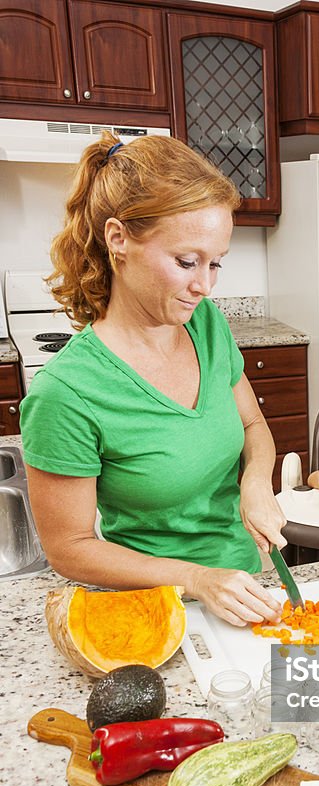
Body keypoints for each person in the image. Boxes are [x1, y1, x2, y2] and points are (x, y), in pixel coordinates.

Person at [20, 131, 286, 627]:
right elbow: (70, 550)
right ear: (119, 239)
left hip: (249, 582)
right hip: (157, 604)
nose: (204, 286)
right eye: (186, 262)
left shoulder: (207, 326)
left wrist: (255, 484)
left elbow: (253, 427)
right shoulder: (67, 393)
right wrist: (198, 578)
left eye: (215, 263)